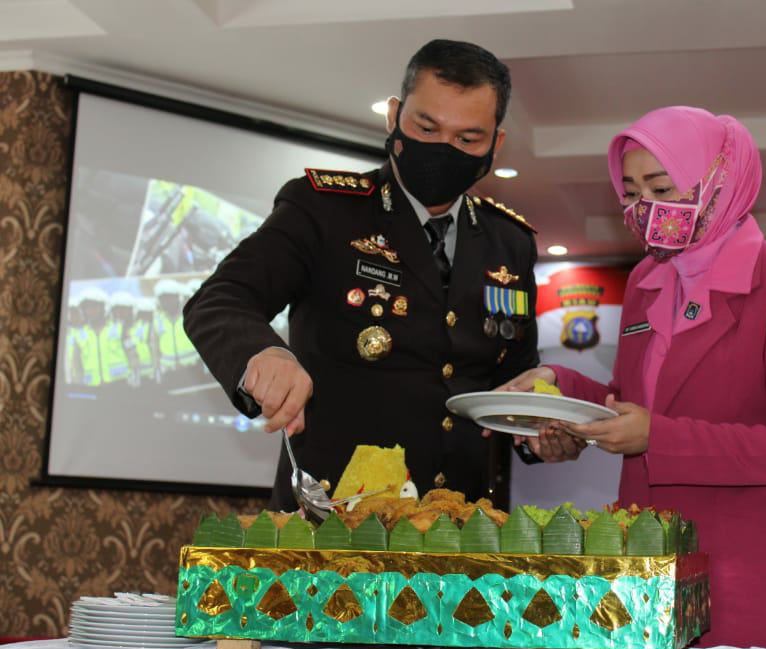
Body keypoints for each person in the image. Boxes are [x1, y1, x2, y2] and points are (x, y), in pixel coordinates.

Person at [502, 107, 766, 648]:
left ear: (719, 183)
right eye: (632, 192)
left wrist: (658, 438)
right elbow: (635, 403)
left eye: (662, 187)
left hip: (749, 575)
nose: (646, 209)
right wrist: (562, 390)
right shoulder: (645, 280)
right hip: (644, 565)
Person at [184, 39, 539, 510]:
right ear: (394, 116)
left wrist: (541, 431)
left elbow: (515, 383)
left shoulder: (509, 243)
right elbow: (220, 299)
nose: (442, 149)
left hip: (457, 533)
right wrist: (264, 353)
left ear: (496, 144)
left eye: (466, 139)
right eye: (426, 127)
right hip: (331, 526)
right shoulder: (323, 210)